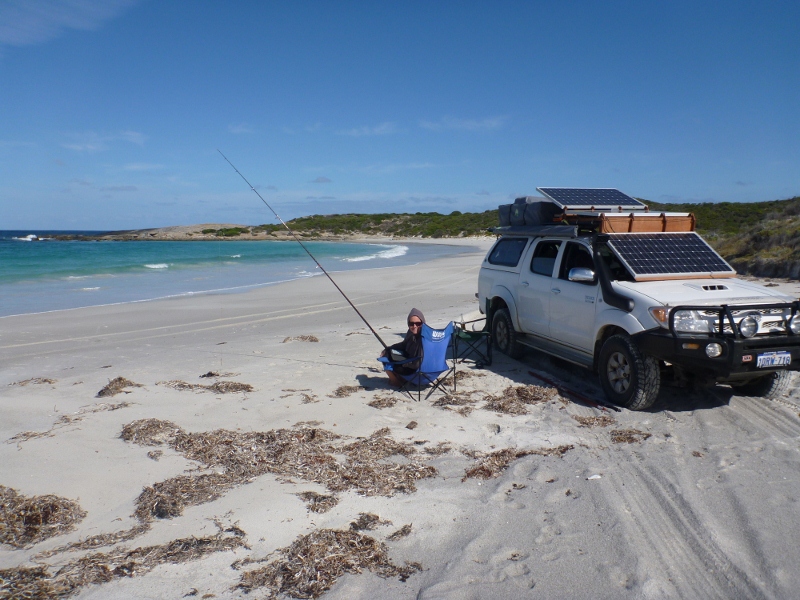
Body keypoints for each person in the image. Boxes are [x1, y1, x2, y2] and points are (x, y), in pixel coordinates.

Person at [380, 308, 425, 387]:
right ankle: (400, 378)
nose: (414, 326)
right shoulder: (411, 333)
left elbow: (417, 364)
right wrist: (389, 348)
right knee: (387, 353)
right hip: (427, 370)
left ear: (422, 323)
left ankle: (396, 382)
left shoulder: (424, 339)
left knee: (387, 360)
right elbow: (403, 345)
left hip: (417, 370)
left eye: (418, 323)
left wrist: (404, 363)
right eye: (411, 323)